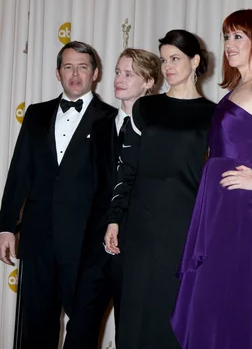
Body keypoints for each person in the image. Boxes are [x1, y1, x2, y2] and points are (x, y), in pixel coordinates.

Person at [171, 9, 252, 349]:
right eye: (227, 36)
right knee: (212, 291)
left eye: (238, 36)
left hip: (239, 205)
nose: (229, 44)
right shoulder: (238, 86)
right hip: (217, 202)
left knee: (228, 291)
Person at [104, 30, 216, 348]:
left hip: (186, 228)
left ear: (195, 61)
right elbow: (127, 168)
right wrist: (115, 218)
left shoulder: (214, 115)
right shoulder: (145, 108)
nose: (167, 66)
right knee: (135, 312)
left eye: (175, 58)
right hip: (140, 227)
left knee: (175, 313)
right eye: (164, 59)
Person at [0, 41, 116, 348]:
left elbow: (114, 185)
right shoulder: (36, 115)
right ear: (57, 73)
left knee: (82, 333)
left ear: (95, 73)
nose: (75, 74)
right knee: (34, 329)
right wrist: (6, 226)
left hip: (86, 244)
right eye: (68, 67)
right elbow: (18, 173)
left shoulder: (111, 119)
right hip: (38, 241)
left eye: (83, 67)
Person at [64, 48, 161, 348]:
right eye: (118, 72)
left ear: (149, 82)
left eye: (128, 74)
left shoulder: (160, 131)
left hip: (139, 249)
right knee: (78, 329)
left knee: (131, 335)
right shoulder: (98, 126)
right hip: (96, 249)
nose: (118, 79)